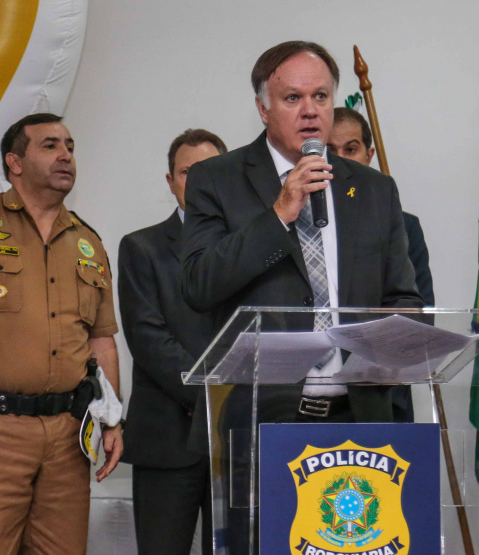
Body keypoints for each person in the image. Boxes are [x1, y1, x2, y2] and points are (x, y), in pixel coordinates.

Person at [181, 41, 424, 425]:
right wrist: (278, 215)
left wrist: (387, 347)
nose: (310, 110)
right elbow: (199, 284)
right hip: (263, 416)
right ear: (263, 108)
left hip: (359, 416)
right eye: (293, 97)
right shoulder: (216, 179)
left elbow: (403, 299)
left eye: (321, 96)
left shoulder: (375, 189)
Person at [0, 113, 123, 555]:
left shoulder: (87, 241)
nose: (66, 155)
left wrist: (112, 418)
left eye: (70, 146)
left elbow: (101, 339)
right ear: (15, 162)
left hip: (69, 438)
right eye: (50, 145)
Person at [118, 128, 227, 555]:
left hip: (238, 442)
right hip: (168, 437)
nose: (199, 182)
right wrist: (215, 394)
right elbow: (147, 338)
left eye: (210, 172)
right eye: (187, 172)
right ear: (170, 182)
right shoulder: (141, 247)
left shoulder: (253, 247)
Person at [328, 106, 436, 421]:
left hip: (382, 399)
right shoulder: (299, 222)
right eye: (331, 151)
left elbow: (418, 311)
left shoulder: (403, 226)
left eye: (351, 149)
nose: (342, 160)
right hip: (303, 406)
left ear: (369, 154)